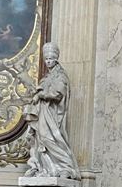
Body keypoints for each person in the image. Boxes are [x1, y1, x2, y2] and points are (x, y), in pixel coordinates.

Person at [23, 42, 80, 179]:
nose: (48, 62)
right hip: (43, 112)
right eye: (46, 59)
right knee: (41, 140)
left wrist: (41, 94)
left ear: (56, 59)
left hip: (52, 113)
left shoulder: (60, 75)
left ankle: (66, 167)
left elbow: (57, 94)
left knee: (50, 139)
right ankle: (45, 167)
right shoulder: (47, 77)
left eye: (50, 59)